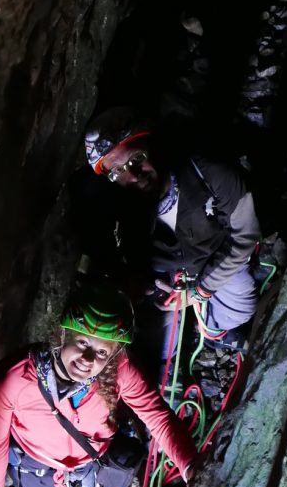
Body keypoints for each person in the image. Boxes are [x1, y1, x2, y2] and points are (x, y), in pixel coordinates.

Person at [0, 281, 197, 487]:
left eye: (102, 353)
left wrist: (190, 465)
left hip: (91, 455)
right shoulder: (15, 379)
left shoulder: (120, 372)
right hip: (35, 455)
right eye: (83, 343)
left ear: (114, 355)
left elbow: (156, 416)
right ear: (63, 334)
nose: (88, 360)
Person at [75, 107, 261, 371]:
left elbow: (245, 236)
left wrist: (200, 291)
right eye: (117, 172)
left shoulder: (209, 172)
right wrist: (136, 281)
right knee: (157, 349)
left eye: (136, 158)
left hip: (215, 259)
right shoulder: (119, 203)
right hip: (167, 276)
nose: (134, 175)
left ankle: (211, 332)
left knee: (240, 313)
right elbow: (109, 251)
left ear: (150, 144)